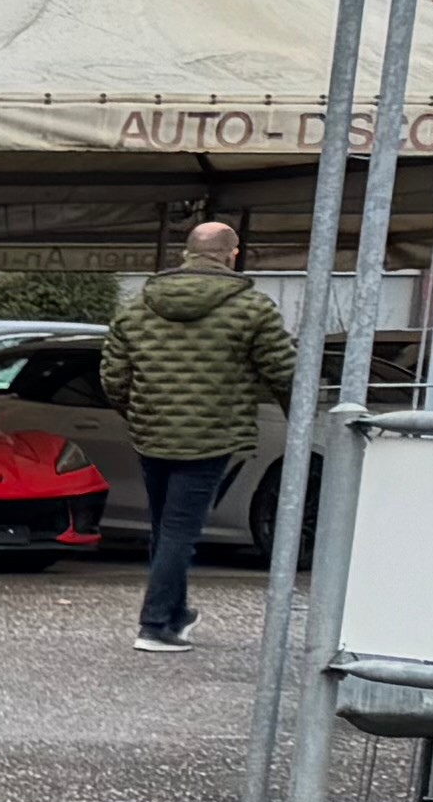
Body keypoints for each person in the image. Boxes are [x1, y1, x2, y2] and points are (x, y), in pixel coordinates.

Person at [107, 221, 300, 649]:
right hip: (213, 435)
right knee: (180, 529)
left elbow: (113, 377)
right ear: (233, 254)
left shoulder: (139, 306)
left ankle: (176, 613)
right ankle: (155, 625)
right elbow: (285, 373)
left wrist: (139, 413)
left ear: (185, 253)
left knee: (165, 525)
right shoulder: (253, 308)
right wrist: (299, 423)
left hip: (151, 432)